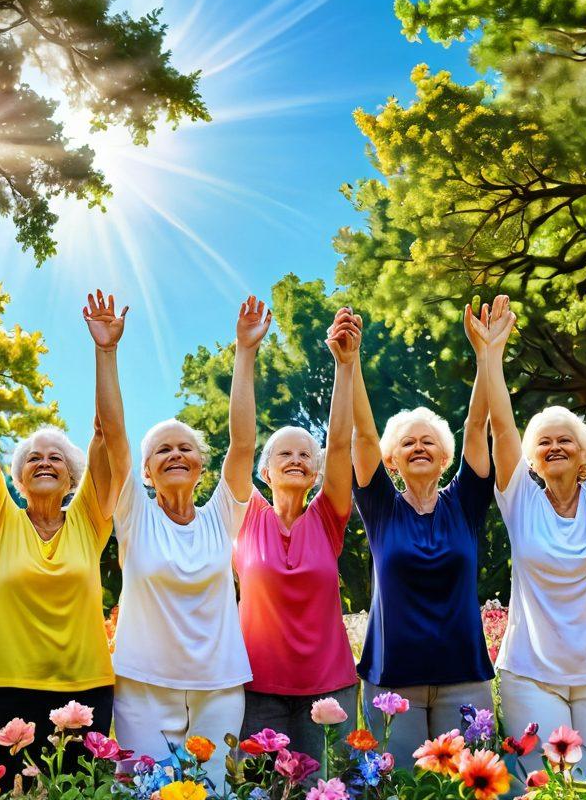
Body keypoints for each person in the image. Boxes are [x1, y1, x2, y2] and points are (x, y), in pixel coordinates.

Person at [100, 294, 271, 792]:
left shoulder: (223, 513)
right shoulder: (133, 515)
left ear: (200, 465)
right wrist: (106, 353)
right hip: (143, 687)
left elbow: (243, 443)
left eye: (185, 448)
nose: (175, 454)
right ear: (147, 471)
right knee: (147, 792)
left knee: (213, 791)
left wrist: (245, 352)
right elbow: (113, 435)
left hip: (218, 687)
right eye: (162, 450)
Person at [480, 283, 586, 775]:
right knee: (547, 786)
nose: (555, 447)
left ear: (583, 453)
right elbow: (501, 427)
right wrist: (491, 355)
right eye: (545, 442)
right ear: (533, 457)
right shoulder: (520, 500)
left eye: (567, 441)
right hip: (532, 675)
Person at [0, 300, 118, 788]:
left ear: (73, 477)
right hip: (6, 689)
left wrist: (105, 351)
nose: (44, 461)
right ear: (19, 476)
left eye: (55, 457)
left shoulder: (90, 521)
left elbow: (108, 437)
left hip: (85, 688)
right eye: (33, 458)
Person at [349, 304, 496, 766]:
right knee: (402, 790)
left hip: (465, 679)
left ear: (445, 457)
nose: (418, 446)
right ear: (391, 460)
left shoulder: (465, 504)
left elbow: (476, 425)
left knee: (472, 787)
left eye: (428, 440)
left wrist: (487, 355)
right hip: (392, 683)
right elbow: (364, 435)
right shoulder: (380, 508)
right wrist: (350, 361)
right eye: (407, 442)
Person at [234, 307, 361, 769]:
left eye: (305, 453)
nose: (296, 457)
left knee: (330, 792)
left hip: (329, 690)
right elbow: (240, 442)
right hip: (256, 691)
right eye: (283, 452)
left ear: (315, 470)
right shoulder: (245, 514)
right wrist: (245, 354)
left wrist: (345, 366)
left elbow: (342, 443)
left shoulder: (327, 516)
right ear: (264, 471)